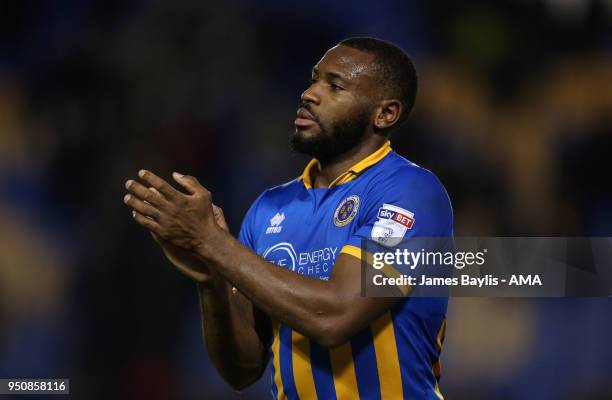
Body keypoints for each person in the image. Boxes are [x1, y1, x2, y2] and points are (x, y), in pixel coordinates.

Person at [123, 37, 453, 400]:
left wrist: (212, 241)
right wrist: (211, 277)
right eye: (314, 79)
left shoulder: (411, 192)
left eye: (335, 85)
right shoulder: (269, 208)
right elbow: (243, 370)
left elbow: (335, 317)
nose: (310, 93)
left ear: (385, 114)